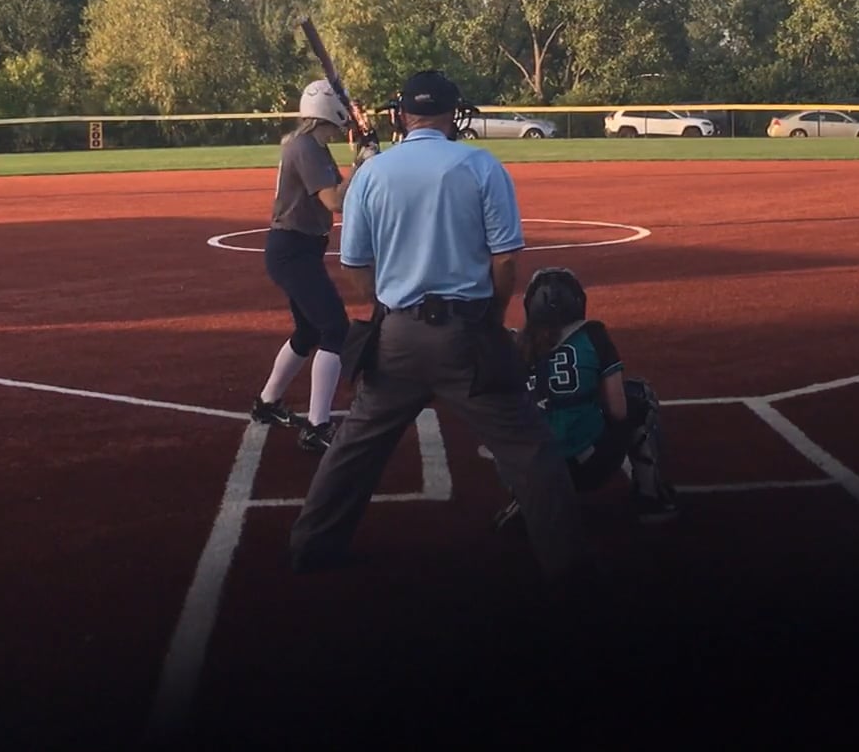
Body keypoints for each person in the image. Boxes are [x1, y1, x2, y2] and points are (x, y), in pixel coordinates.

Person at [287, 70, 590, 588]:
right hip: (466, 333)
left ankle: (310, 548)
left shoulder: (373, 174)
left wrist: (389, 306)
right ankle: (568, 567)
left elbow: (355, 266)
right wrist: (491, 319)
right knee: (530, 449)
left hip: (397, 337)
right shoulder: (481, 165)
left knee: (355, 448)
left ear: (401, 114)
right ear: (453, 113)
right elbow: (505, 260)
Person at [493, 267, 678, 534]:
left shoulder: (514, 345)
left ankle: (526, 499)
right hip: (589, 467)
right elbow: (618, 411)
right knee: (639, 397)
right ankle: (652, 499)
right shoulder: (594, 336)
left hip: (531, 470)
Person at [250, 79, 378, 453]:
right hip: (293, 249)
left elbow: (344, 195)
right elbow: (335, 201)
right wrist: (362, 164)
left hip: (297, 248)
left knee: (308, 331)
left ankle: (267, 403)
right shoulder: (306, 147)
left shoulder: (311, 145)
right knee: (335, 329)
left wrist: (362, 162)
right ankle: (317, 426)